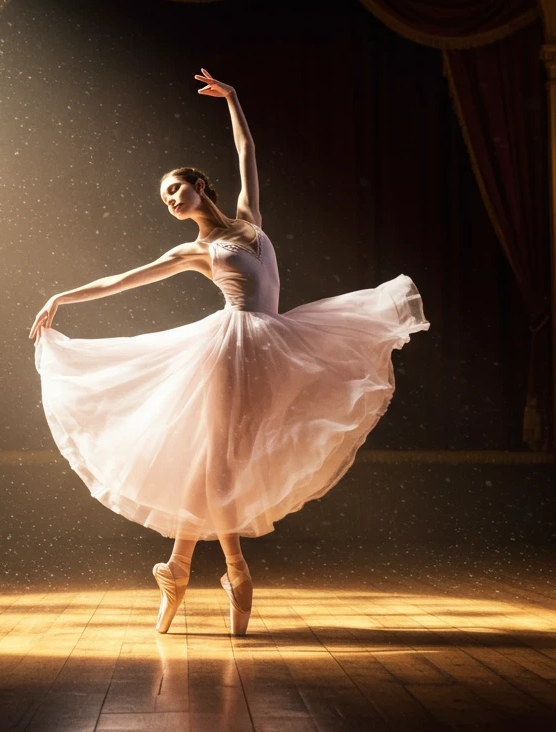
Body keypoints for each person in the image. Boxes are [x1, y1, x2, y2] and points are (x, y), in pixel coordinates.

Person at [29, 69, 428, 636]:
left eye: (177, 188)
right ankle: (235, 571)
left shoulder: (249, 221)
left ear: (200, 185)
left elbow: (247, 149)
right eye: (166, 197)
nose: (171, 199)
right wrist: (60, 296)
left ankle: (179, 566)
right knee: (221, 461)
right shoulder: (195, 251)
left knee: (218, 460)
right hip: (230, 348)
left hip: (273, 341)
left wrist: (233, 98)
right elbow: (123, 279)